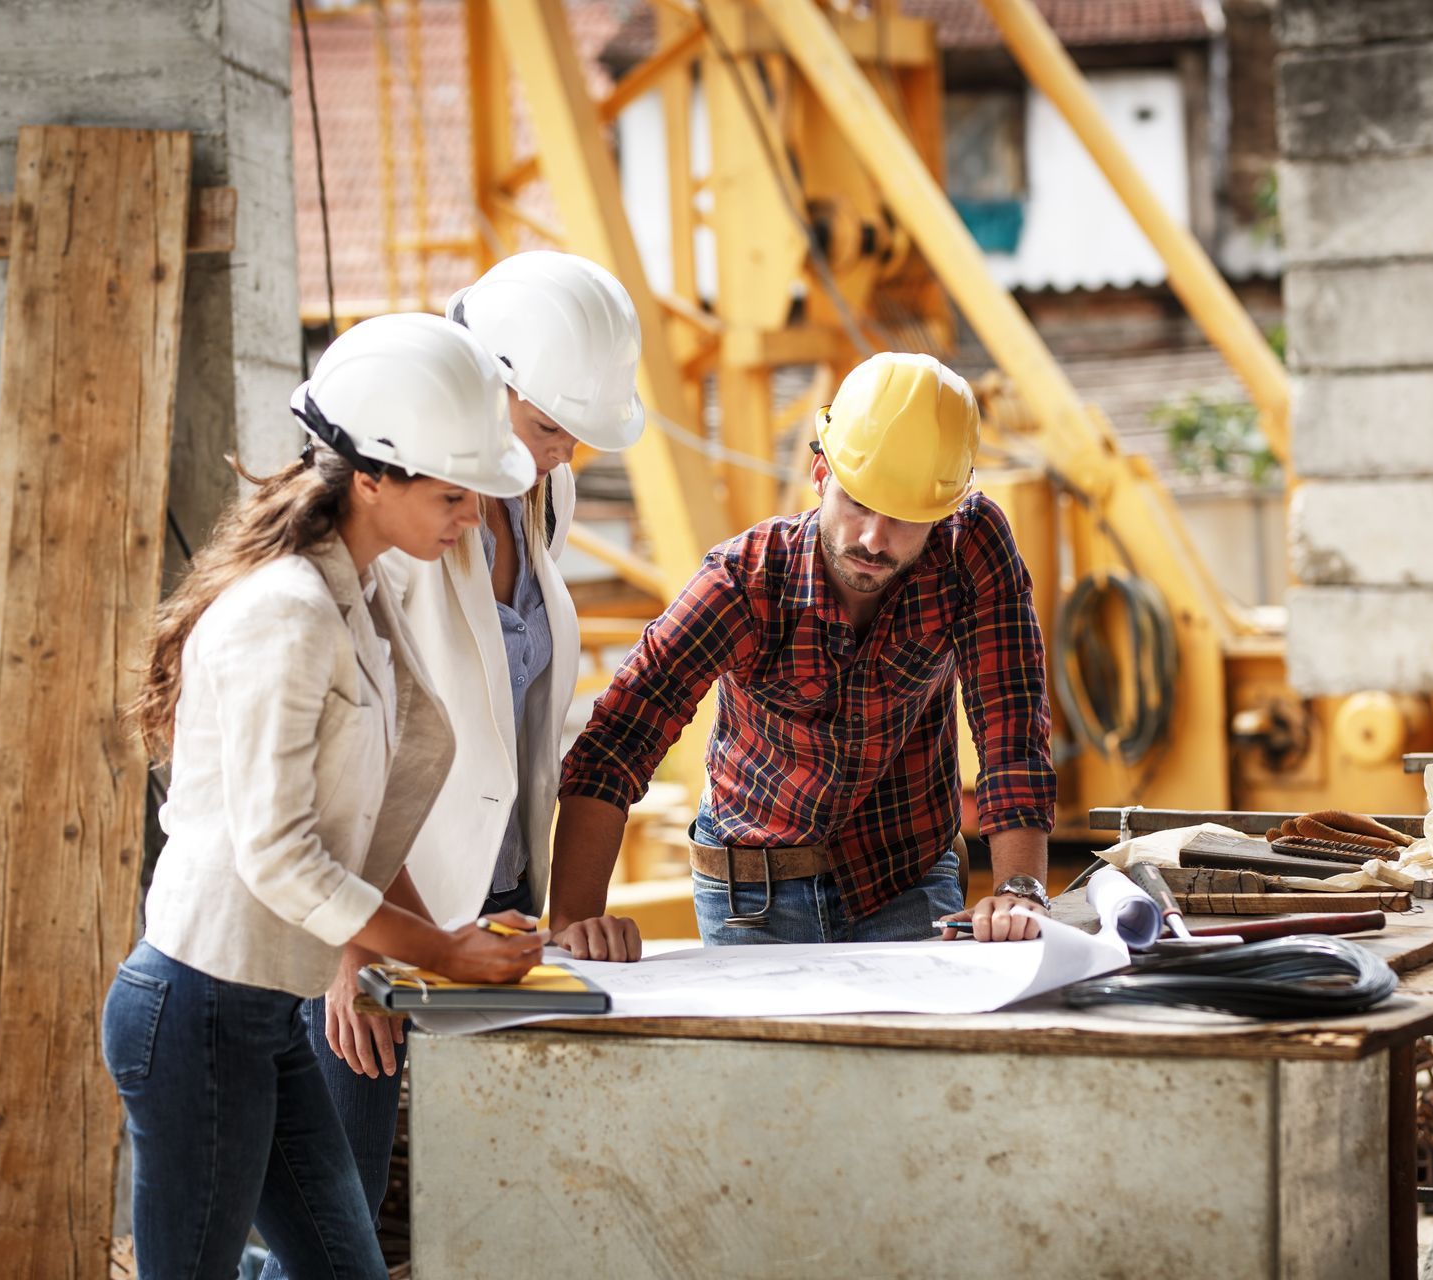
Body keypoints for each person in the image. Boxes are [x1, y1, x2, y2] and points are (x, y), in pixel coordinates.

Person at [102, 313, 548, 1280]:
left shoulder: (355, 588)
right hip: (200, 1012)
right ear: (372, 477)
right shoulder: (288, 613)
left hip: (259, 1011)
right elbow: (278, 854)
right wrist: (440, 955)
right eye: (452, 493)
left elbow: (391, 786)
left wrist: (449, 931)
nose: (471, 516)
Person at [269, 254, 648, 1270]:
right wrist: (354, 947)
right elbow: (341, 757)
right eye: (549, 423)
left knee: (485, 1204)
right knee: (331, 1218)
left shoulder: (538, 499)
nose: (566, 450)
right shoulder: (398, 514)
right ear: (484, 379)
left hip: (496, 892)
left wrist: (555, 899)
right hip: (380, 906)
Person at [549, 351, 1058, 955]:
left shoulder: (970, 546)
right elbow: (620, 735)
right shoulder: (743, 583)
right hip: (753, 896)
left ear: (945, 509)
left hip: (906, 880)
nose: (873, 539)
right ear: (820, 476)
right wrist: (574, 921)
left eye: (902, 519)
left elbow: (1011, 716)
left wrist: (1019, 888)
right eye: (858, 503)